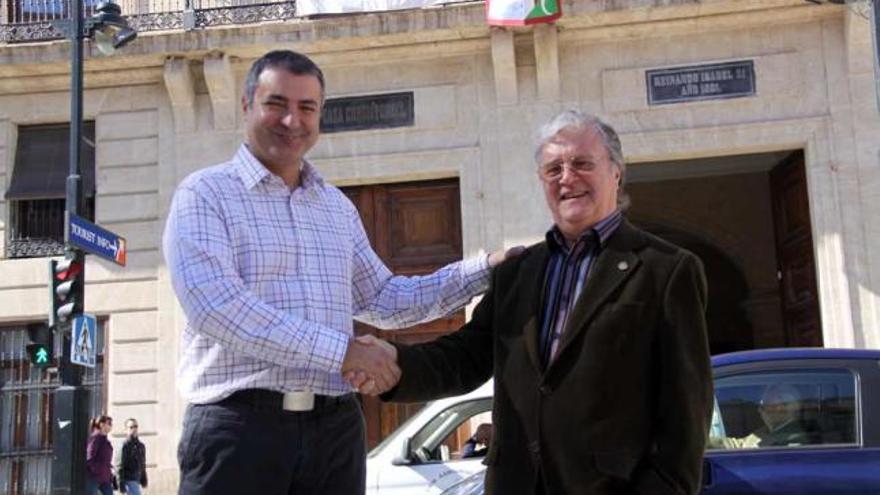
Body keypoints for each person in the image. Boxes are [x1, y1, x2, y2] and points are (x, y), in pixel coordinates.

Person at [162, 49, 513, 495]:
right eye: (276, 104)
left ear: (319, 116)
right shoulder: (204, 195)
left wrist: (486, 269)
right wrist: (342, 352)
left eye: (306, 107)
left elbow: (384, 299)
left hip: (336, 430)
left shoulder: (335, 208)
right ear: (246, 105)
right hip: (239, 431)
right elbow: (218, 309)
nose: (292, 120)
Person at [360, 110, 713, 495]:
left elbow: (686, 409)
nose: (567, 178)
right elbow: (464, 358)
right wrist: (394, 366)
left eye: (581, 164)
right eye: (553, 169)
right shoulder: (519, 272)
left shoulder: (666, 270)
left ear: (616, 172)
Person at [713, 383, 812, 449]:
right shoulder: (766, 431)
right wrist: (704, 441)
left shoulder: (792, 441)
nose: (759, 410)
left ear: (784, 407)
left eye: (765, 404)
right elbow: (740, 445)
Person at [115, 418, 148, 494]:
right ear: (126, 429)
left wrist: (144, 478)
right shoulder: (124, 445)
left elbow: (142, 464)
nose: (134, 429)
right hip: (128, 480)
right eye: (131, 427)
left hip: (136, 480)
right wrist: (120, 483)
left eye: (136, 426)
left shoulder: (141, 446)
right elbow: (119, 465)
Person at [85, 415, 114, 495]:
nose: (111, 426)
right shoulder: (95, 438)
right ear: (102, 425)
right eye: (109, 423)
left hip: (104, 477)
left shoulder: (104, 439)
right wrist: (97, 470)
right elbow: (90, 457)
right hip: (95, 477)